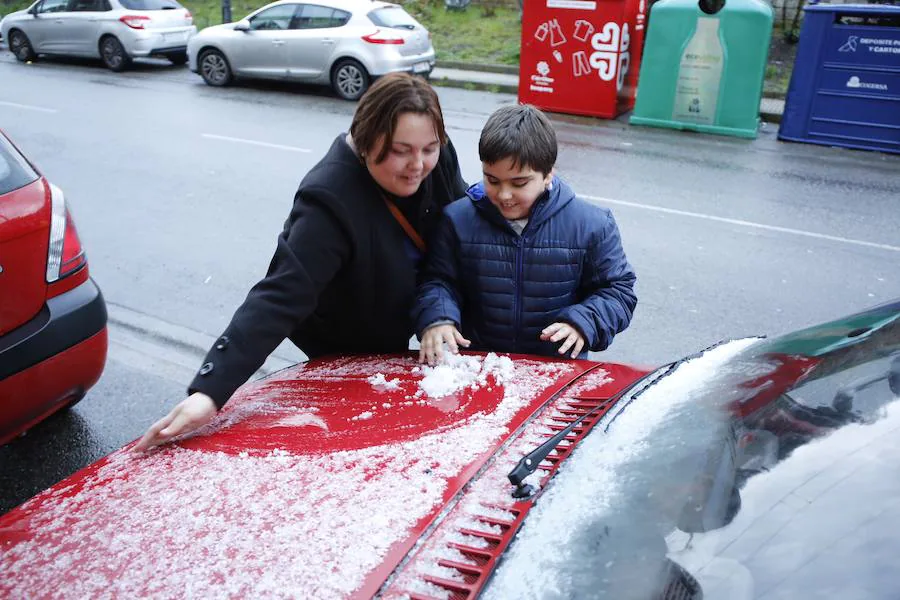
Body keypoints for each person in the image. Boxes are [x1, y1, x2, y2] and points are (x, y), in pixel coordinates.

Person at [136, 73, 467, 451]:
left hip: (409, 304)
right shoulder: (330, 198)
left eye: (429, 148)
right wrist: (210, 393)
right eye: (400, 150)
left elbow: (459, 229)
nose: (418, 165)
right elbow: (280, 295)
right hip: (350, 338)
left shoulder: (436, 155)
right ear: (365, 138)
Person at [413, 104, 636, 366]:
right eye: (492, 180)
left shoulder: (592, 224)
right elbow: (437, 281)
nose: (504, 195)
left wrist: (584, 321)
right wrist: (438, 317)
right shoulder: (457, 219)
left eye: (519, 183)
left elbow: (618, 291)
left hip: (553, 372)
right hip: (475, 369)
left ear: (547, 173)